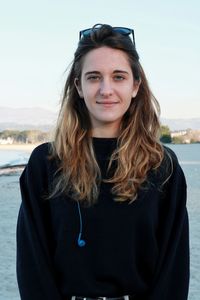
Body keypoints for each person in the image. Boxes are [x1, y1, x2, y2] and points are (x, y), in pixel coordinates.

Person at [16, 24, 189, 300]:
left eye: (118, 77)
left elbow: (173, 270)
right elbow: (32, 266)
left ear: (135, 86)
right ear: (78, 86)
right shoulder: (46, 163)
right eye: (94, 77)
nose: (105, 89)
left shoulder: (162, 165)